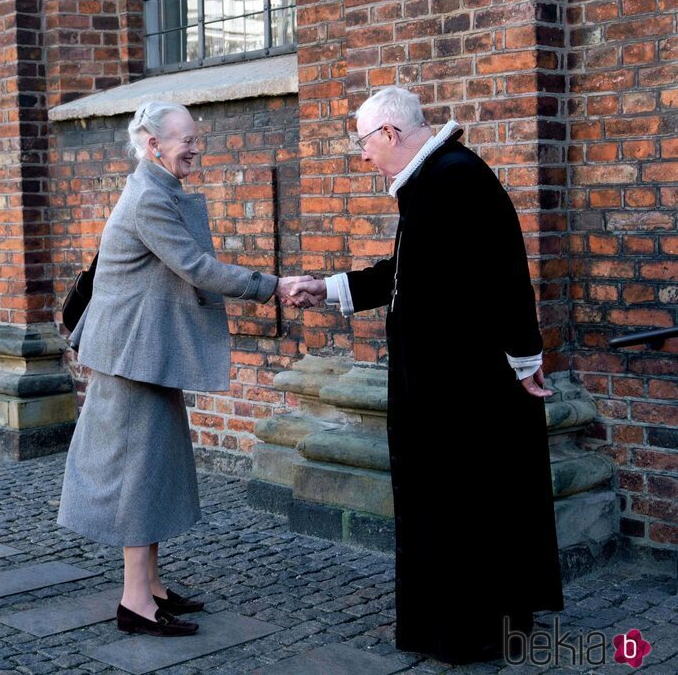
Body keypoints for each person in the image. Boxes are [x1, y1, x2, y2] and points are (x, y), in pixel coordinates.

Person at [292, 86, 564, 663]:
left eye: (364, 143)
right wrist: (331, 288)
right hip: (444, 381)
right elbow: (407, 270)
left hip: (459, 385)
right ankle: (468, 626)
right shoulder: (433, 179)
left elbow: (504, 272)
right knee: (459, 502)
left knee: (461, 504)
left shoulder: (452, 177)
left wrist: (524, 356)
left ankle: (469, 633)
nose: (362, 157)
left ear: (390, 134)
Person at [58, 100, 315, 637]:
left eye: (196, 138)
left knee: (154, 468)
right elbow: (195, 268)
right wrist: (275, 286)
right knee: (137, 474)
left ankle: (149, 585)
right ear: (154, 145)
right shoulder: (149, 197)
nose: (196, 147)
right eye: (186, 139)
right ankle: (135, 602)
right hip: (131, 357)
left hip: (146, 353)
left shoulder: (158, 188)